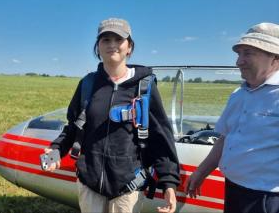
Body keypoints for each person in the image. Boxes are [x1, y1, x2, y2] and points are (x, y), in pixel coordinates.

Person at [44, 18, 180, 213]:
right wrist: (56, 148)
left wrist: (169, 183)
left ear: (129, 47)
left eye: (118, 39)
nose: (112, 45)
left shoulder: (144, 87)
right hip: (89, 183)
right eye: (105, 40)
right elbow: (74, 126)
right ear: (97, 47)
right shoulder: (88, 84)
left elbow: (160, 136)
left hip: (128, 187)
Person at [186, 22, 279, 213]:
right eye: (239, 54)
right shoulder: (239, 94)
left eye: (248, 53)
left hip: (266, 199)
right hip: (234, 190)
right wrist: (202, 172)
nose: (238, 62)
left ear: (275, 57)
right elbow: (225, 137)